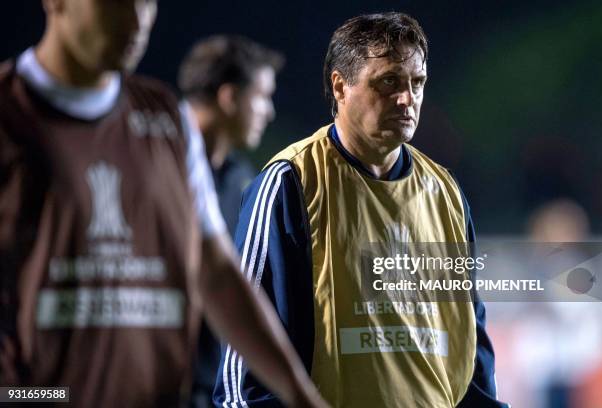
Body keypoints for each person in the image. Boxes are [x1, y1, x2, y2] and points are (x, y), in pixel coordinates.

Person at [0, 1, 327, 407]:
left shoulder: (167, 121)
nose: (137, 18)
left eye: (147, 2)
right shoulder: (9, 111)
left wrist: (299, 393)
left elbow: (216, 271)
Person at [214, 12, 509, 408]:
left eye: (416, 83)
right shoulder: (291, 183)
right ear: (340, 86)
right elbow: (244, 348)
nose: (407, 99)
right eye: (388, 82)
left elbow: (470, 343)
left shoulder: (446, 193)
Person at [177, 35, 284, 407]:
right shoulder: (152, 161)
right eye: (262, 96)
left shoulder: (242, 180)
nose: (268, 112)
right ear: (229, 97)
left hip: (211, 387)